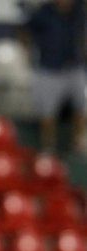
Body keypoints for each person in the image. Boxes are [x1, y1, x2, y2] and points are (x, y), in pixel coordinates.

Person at [27, 0, 87, 154]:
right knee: (48, 111)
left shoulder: (79, 10)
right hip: (50, 68)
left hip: (75, 66)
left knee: (82, 105)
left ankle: (79, 143)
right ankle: (48, 146)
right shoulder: (43, 13)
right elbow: (26, 31)